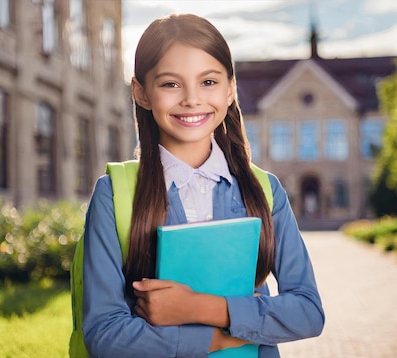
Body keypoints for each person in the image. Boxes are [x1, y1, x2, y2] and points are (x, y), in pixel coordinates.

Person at [81, 13, 324, 357]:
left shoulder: (264, 190)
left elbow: (308, 312)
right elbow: (104, 334)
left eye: (208, 82)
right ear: (141, 92)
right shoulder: (115, 195)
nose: (192, 99)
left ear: (231, 89)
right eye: (170, 84)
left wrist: (198, 308)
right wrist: (215, 340)